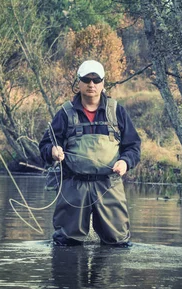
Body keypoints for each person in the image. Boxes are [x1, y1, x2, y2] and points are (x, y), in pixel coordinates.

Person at [39, 60, 141, 247]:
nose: (91, 84)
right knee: (66, 242)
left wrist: (125, 162)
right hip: (73, 185)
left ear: (103, 83)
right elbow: (45, 145)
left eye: (96, 79)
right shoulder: (65, 113)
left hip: (109, 184)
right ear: (78, 83)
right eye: (86, 79)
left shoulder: (117, 111)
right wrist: (53, 151)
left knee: (117, 243)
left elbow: (133, 146)